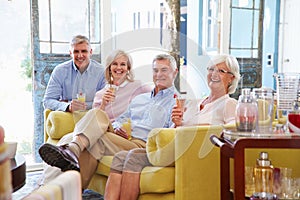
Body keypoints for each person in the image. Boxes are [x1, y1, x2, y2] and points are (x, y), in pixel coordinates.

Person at [104, 54, 241, 200]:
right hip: (175, 146)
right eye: (211, 69)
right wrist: (178, 123)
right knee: (120, 157)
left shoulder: (229, 103)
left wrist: (194, 128)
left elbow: (230, 132)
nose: (214, 74)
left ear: (231, 78)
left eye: (220, 71)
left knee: (134, 157)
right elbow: (177, 129)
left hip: (192, 153)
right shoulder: (194, 103)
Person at [38, 53, 179, 189]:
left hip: (143, 146)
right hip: (124, 138)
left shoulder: (176, 102)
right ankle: (65, 166)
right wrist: (117, 127)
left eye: (164, 70)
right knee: (94, 118)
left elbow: (172, 133)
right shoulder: (141, 98)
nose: (159, 74)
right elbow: (120, 119)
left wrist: (176, 122)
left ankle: (55, 186)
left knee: (93, 141)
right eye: (155, 70)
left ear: (175, 72)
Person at [43, 35, 106, 112]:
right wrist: (67, 106)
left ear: (91, 52)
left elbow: (104, 102)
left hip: (92, 115)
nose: (80, 56)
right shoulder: (60, 71)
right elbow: (47, 101)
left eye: (84, 51)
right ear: (70, 53)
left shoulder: (101, 71)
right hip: (68, 115)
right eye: (76, 51)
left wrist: (80, 105)